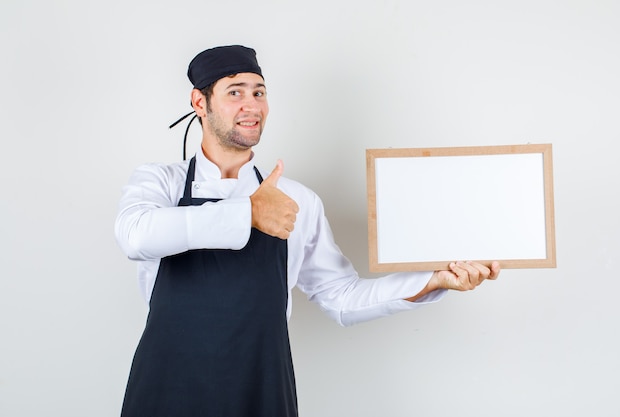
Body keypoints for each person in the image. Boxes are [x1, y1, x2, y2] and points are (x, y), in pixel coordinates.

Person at [114, 45, 500, 417]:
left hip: (260, 386)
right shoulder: (160, 183)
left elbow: (341, 297)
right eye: (235, 92)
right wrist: (249, 212)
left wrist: (434, 280)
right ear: (200, 102)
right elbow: (136, 236)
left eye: (259, 92)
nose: (253, 106)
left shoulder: (296, 199)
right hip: (167, 384)